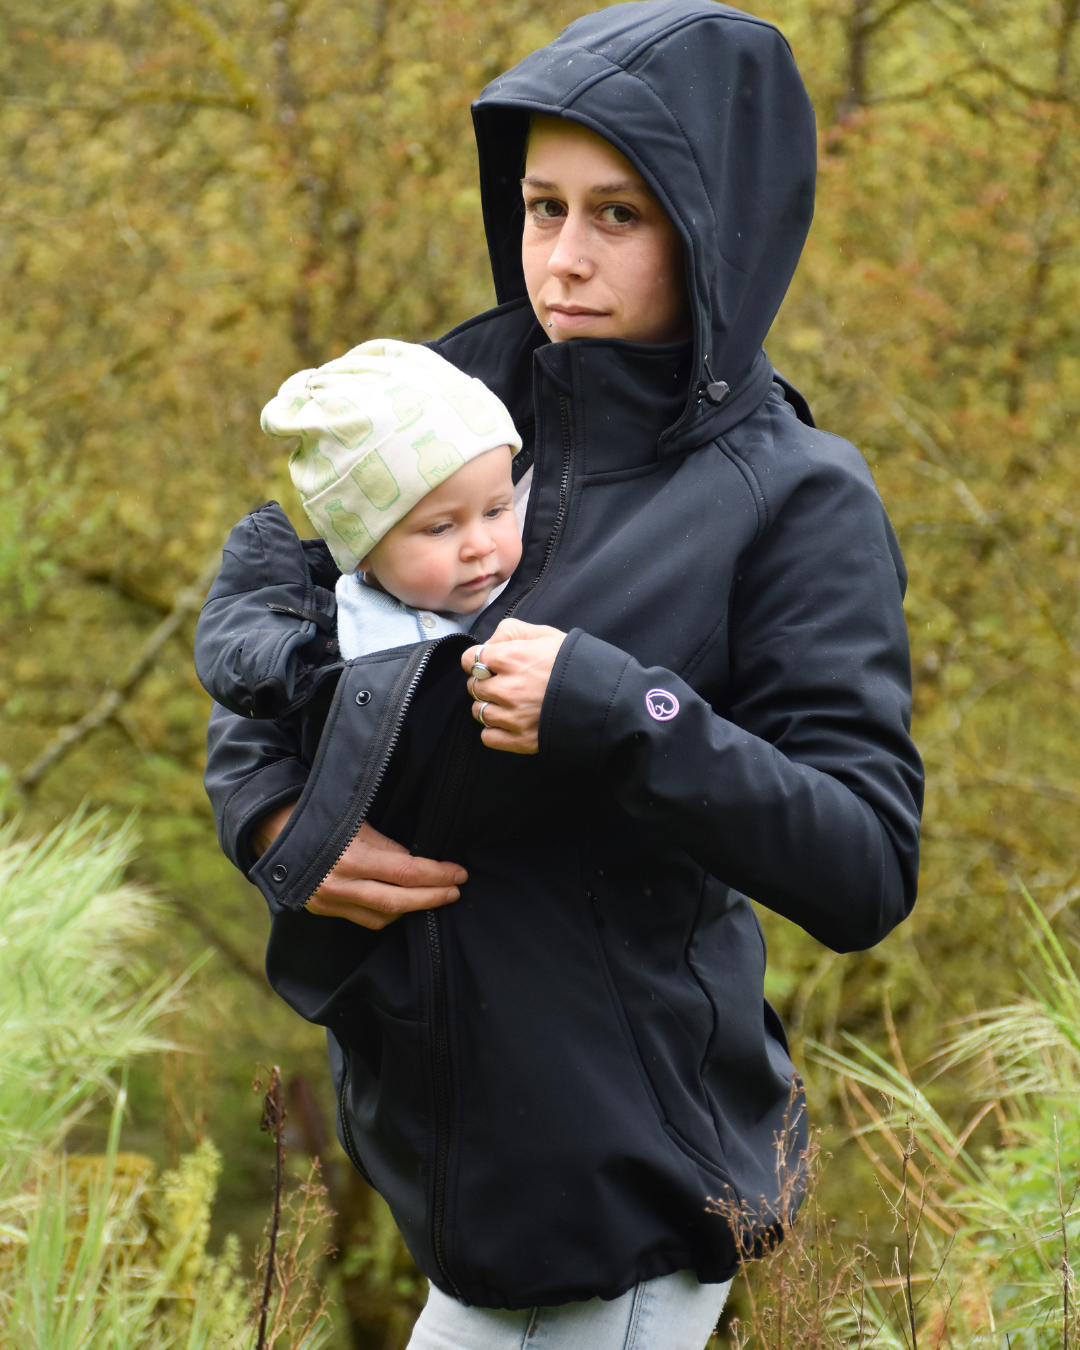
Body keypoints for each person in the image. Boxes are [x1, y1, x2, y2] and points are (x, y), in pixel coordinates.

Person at [199, 3, 924, 1348]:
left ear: (715, 223)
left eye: (620, 216)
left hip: (617, 1192)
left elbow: (867, 861)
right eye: (542, 206)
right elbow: (300, 619)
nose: (565, 259)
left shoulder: (793, 499)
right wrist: (264, 811)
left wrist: (619, 709)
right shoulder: (461, 400)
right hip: (458, 1173)